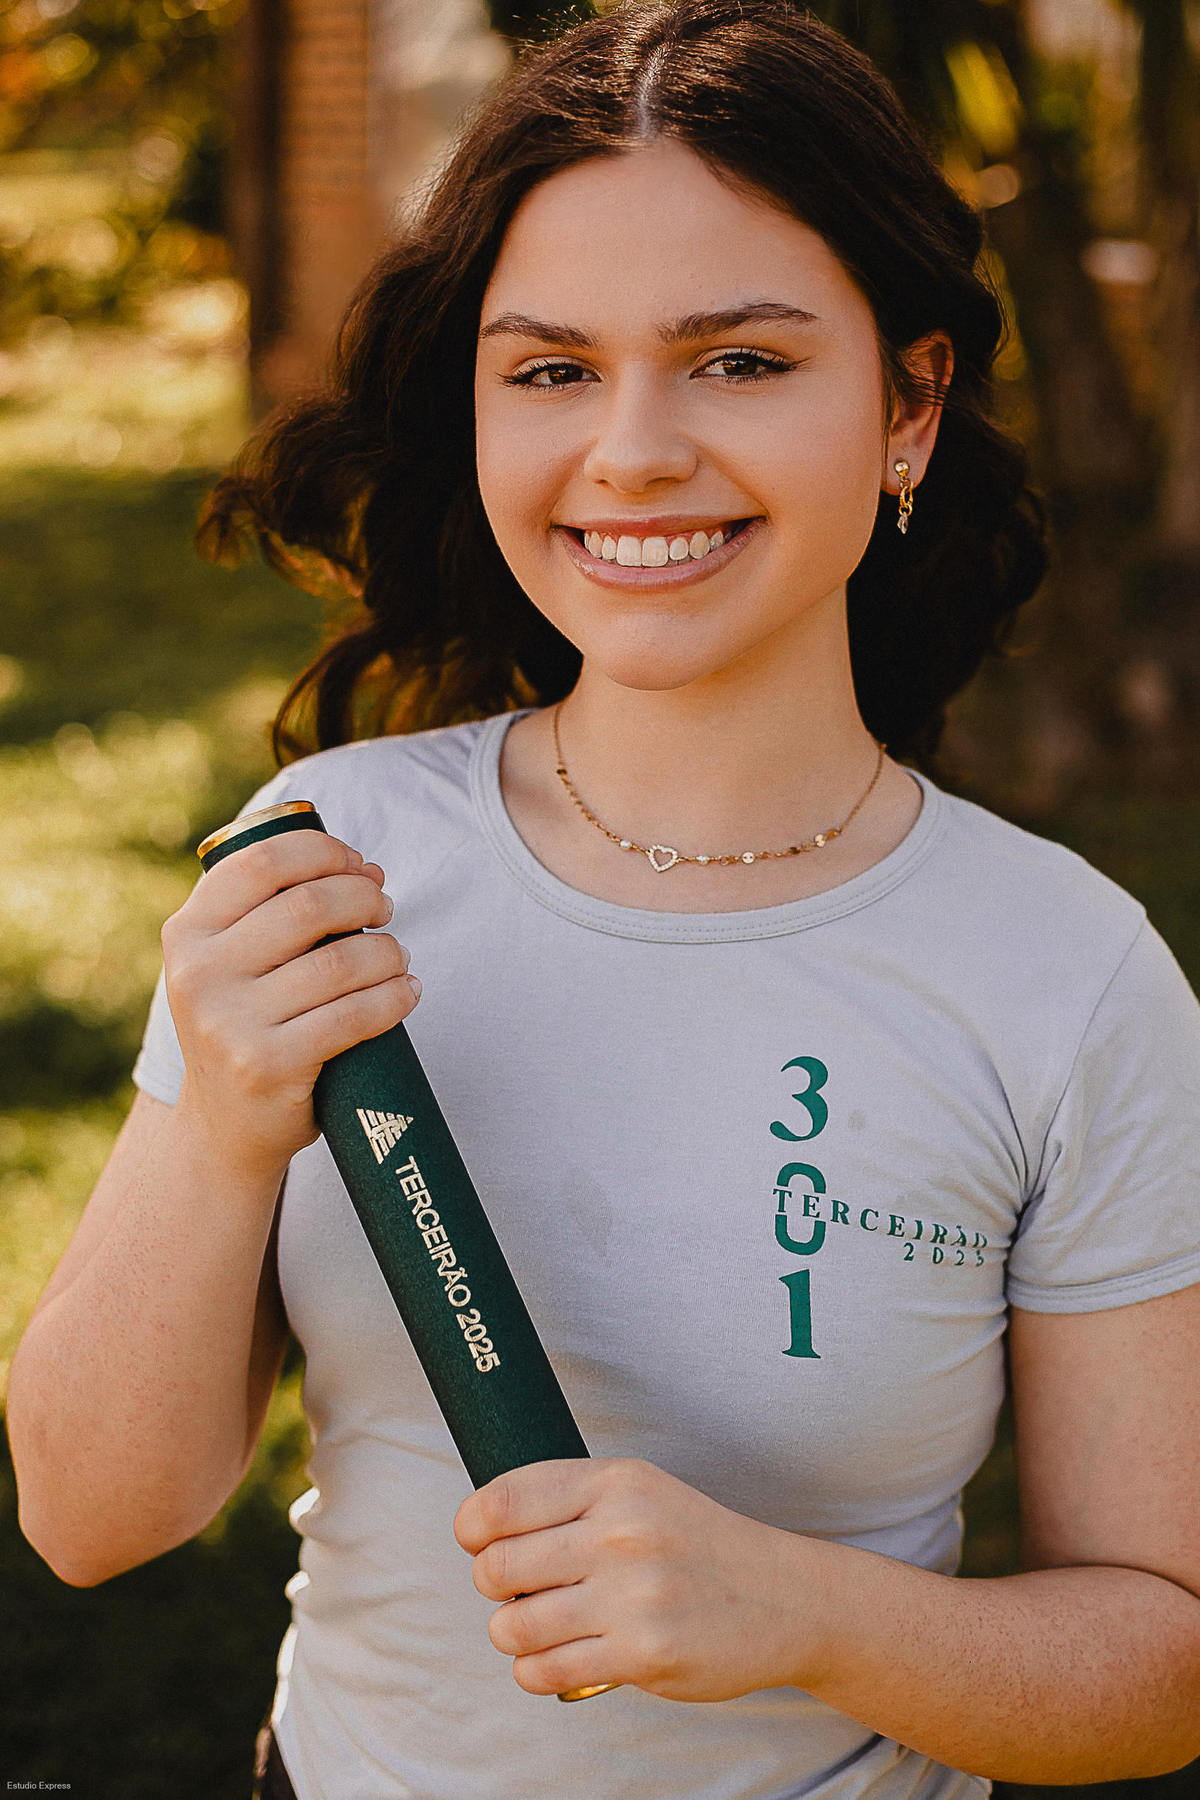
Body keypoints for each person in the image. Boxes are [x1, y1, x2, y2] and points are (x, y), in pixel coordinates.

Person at [10, 3, 1200, 1796]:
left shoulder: (1064, 975)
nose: (632, 452)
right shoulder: (331, 859)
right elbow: (90, 1521)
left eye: (739, 361)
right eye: (550, 369)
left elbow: (1167, 1656)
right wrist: (218, 1128)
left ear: (911, 404)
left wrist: (804, 1613)